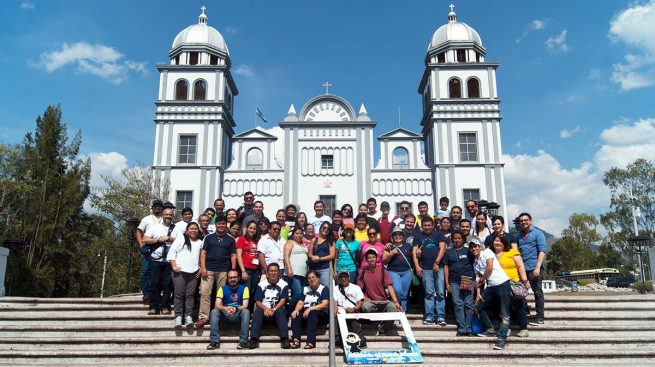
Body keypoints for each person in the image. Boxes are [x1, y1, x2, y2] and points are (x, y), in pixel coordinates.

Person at [195, 215, 237, 328]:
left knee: (221, 295)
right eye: (219, 224)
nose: (221, 226)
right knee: (205, 293)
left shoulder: (230, 239)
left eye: (223, 224)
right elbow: (203, 253)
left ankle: (220, 318)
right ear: (216, 225)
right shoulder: (208, 237)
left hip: (224, 270)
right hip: (209, 269)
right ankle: (203, 318)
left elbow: (233, 255)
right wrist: (203, 267)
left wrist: (232, 270)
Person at [472, 236, 512, 350]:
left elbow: (489, 267)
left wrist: (481, 281)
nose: (474, 249)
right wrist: (478, 294)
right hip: (490, 286)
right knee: (478, 306)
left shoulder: (487, 252)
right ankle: (490, 329)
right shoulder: (476, 262)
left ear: (480, 247)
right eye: (471, 248)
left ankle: (501, 340)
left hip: (502, 283)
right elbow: (477, 280)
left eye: (475, 246)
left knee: (504, 314)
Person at [492, 234, 530, 338]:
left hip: (513, 283)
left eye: (500, 241)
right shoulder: (491, 254)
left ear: (505, 243)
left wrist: (525, 280)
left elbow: (520, 266)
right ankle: (506, 328)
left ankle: (523, 329)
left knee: (518, 306)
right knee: (504, 308)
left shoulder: (512, 252)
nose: (498, 243)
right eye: (496, 241)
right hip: (499, 285)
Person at [245, 263, 291, 349]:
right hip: (264, 312)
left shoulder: (284, 284)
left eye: (275, 271)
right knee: (258, 311)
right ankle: (253, 340)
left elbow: (283, 301)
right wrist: (265, 309)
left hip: (277, 313)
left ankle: (285, 339)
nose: (273, 273)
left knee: (280, 310)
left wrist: (273, 309)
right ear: (267, 273)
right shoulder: (261, 284)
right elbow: (258, 302)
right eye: (271, 271)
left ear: (278, 273)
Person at [412, 216, 448, 325]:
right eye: (425, 225)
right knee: (428, 293)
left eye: (429, 225)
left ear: (433, 226)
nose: (427, 227)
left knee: (441, 293)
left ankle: (441, 316)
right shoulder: (418, 236)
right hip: (426, 268)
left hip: (439, 267)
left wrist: (436, 263)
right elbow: (414, 252)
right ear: (422, 226)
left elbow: (442, 249)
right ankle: (429, 316)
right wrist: (417, 266)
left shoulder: (438, 234)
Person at [358, 248, 401, 335]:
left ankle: (383, 328)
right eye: (369, 258)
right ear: (366, 260)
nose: (371, 259)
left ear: (377, 258)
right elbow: (360, 289)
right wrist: (364, 297)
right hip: (371, 302)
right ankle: (379, 320)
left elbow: (389, 287)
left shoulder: (383, 271)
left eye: (373, 257)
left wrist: (396, 302)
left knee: (393, 307)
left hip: (383, 301)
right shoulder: (362, 272)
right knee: (366, 307)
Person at [168, 222, 203, 328]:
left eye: (195, 229)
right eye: (191, 229)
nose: (193, 231)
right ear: (187, 230)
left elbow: (202, 257)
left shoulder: (200, 242)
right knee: (179, 294)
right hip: (180, 271)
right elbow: (172, 252)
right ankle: (178, 316)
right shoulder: (180, 240)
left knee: (190, 295)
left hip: (194, 272)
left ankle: (188, 315)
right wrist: (174, 266)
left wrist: (201, 269)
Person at [142, 207, 176, 315]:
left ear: (172, 216)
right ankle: (153, 306)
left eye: (170, 215)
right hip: (156, 260)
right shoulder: (155, 227)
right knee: (154, 284)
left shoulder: (176, 228)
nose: (168, 216)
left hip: (169, 261)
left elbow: (182, 241)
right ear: (162, 215)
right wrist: (158, 240)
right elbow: (144, 239)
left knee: (167, 284)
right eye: (166, 214)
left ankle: (165, 307)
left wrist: (170, 239)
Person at [207, 269, 250, 350]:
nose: (232, 279)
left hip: (237, 316)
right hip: (225, 316)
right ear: (227, 279)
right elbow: (217, 304)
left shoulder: (244, 289)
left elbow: (245, 305)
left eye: (234, 277)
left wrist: (236, 309)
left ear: (238, 278)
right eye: (230, 277)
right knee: (214, 311)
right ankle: (214, 341)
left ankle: (243, 341)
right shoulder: (222, 289)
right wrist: (225, 309)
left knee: (246, 312)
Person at [516, 212, 547, 326]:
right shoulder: (519, 236)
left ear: (530, 221)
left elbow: (542, 251)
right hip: (523, 268)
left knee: (537, 292)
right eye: (521, 221)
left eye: (525, 220)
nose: (523, 222)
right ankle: (525, 312)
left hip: (535, 266)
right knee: (520, 292)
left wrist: (538, 267)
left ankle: (540, 316)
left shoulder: (538, 234)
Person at [443, 231, 475, 336]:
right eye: (455, 238)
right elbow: (446, 267)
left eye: (459, 238)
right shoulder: (448, 252)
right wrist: (447, 283)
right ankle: (461, 328)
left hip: (468, 279)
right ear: (452, 239)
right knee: (458, 304)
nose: (457, 240)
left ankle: (469, 328)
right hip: (454, 281)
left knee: (468, 304)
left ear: (463, 239)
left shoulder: (469, 251)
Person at [290, 269, 330, 349]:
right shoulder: (305, 289)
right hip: (307, 314)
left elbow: (325, 304)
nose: (312, 279)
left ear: (318, 278)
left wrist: (311, 309)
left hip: (320, 315)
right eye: (309, 278)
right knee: (295, 315)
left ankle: (310, 341)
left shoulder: (324, 289)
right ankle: (296, 340)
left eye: (313, 277)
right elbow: (300, 302)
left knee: (313, 313)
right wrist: (296, 310)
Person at [136, 199, 164, 303]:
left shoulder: (164, 218)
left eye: (159, 206)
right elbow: (139, 231)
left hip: (160, 247)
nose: (157, 208)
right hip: (148, 246)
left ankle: (157, 292)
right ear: (152, 208)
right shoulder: (146, 219)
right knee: (146, 270)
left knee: (158, 271)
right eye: (155, 206)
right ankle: (146, 292)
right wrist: (141, 245)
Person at [383, 226, 415, 312]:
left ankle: (403, 312)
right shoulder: (389, 247)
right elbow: (384, 260)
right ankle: (397, 309)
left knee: (404, 294)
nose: (398, 236)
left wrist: (418, 254)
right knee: (397, 291)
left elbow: (414, 256)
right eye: (395, 235)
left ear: (403, 236)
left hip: (407, 271)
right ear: (392, 237)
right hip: (393, 271)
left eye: (400, 235)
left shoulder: (408, 246)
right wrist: (391, 254)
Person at [333, 269, 366, 349]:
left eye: (345, 276)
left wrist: (353, 309)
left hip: (353, 309)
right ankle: (338, 339)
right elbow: (334, 300)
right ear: (339, 278)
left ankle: (360, 338)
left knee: (353, 316)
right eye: (341, 277)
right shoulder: (335, 288)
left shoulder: (356, 287)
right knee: (335, 315)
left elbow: (360, 303)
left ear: (349, 277)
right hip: (341, 308)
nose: (343, 278)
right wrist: (335, 308)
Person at [236, 220, 261, 308]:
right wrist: (243, 271)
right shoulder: (242, 239)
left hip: (256, 269)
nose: (252, 230)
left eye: (254, 228)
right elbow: (238, 255)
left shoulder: (257, 240)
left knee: (253, 291)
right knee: (246, 290)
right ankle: (244, 310)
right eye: (250, 228)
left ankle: (250, 311)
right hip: (246, 269)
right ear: (246, 228)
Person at [283, 227, 308, 312]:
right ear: (293, 234)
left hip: (303, 274)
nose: (299, 235)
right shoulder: (290, 242)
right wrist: (289, 269)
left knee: (301, 295)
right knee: (297, 293)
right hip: (293, 273)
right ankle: (289, 313)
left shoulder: (304, 245)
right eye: (297, 233)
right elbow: (286, 256)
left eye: (301, 233)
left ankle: (296, 314)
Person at [308, 221, 337, 286]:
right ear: (320, 228)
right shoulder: (314, 240)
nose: (326, 230)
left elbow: (332, 256)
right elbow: (309, 253)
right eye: (324, 227)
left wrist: (319, 259)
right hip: (314, 269)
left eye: (328, 229)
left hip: (325, 269)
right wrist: (314, 258)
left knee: (326, 288)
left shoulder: (330, 241)